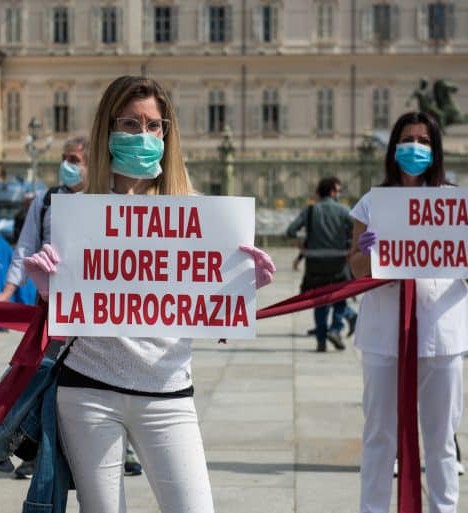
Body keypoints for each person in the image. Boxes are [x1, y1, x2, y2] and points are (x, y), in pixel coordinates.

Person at [22, 75, 277, 513]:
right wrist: (47, 288)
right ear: (108, 130)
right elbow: (66, 303)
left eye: (154, 126)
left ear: (167, 134)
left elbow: (208, 307)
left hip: (168, 390)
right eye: (130, 124)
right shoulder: (78, 213)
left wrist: (239, 287)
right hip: (87, 389)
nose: (143, 136)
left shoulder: (197, 214)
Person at [348, 111, 468, 513]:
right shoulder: (372, 203)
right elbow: (353, 268)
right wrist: (367, 253)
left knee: (441, 438)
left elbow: (467, 262)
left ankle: (444, 509)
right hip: (385, 334)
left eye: (424, 141)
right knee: (379, 435)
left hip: (444, 330)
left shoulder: (456, 202)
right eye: (408, 139)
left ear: (435, 149)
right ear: (393, 147)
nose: (415, 148)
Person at [0, 136, 89, 305]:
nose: (65, 165)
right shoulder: (46, 199)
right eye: (63, 159)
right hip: (50, 297)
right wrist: (7, 292)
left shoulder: (103, 200)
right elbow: (25, 247)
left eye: (74, 160)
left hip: (91, 298)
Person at [286, 176, 355, 351]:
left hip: (315, 261)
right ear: (332, 192)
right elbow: (358, 231)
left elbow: (291, 230)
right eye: (338, 191)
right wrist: (351, 250)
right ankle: (335, 329)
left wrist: (302, 247)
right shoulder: (344, 211)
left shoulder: (310, 211)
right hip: (338, 261)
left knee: (319, 300)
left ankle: (321, 339)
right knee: (340, 298)